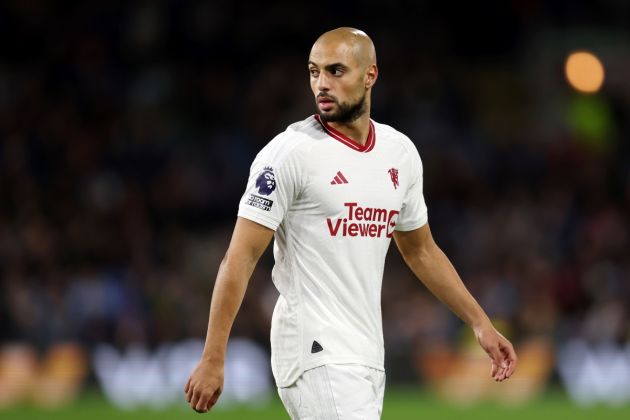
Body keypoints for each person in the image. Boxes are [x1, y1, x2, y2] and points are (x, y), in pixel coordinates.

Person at [185, 27, 517, 418]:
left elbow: (421, 251)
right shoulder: (288, 155)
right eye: (314, 72)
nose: (321, 84)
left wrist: (480, 323)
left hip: (365, 352)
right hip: (314, 347)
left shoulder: (400, 154)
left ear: (370, 75)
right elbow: (239, 259)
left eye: (336, 71)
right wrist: (213, 357)